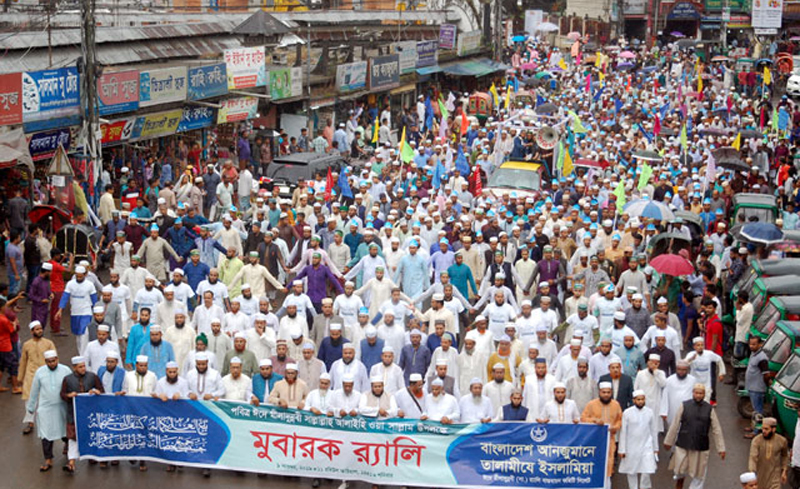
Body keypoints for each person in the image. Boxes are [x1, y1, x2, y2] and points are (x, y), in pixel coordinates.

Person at [664, 383, 726, 489]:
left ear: (704, 394)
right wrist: (668, 441)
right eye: (696, 393)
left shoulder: (709, 409)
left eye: (700, 393)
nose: (698, 395)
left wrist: (721, 448)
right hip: (683, 444)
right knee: (680, 471)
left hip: (700, 447)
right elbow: (675, 424)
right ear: (693, 393)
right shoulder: (684, 406)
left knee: (699, 475)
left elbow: (717, 429)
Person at [25, 350, 71, 472]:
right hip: (46, 408)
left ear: (57, 359)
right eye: (49, 362)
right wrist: (31, 407)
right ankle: (48, 460)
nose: (52, 364)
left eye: (54, 361)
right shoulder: (40, 372)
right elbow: (34, 391)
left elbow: (72, 385)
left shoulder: (65, 370)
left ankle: (68, 447)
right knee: (46, 434)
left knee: (65, 432)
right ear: (45, 362)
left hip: (62, 407)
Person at [60, 355, 103, 473]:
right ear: (74, 368)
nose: (83, 369)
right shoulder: (67, 379)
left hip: (90, 414)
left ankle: (91, 456)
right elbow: (62, 395)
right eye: (80, 367)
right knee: (73, 439)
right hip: (73, 414)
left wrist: (95, 392)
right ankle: (71, 463)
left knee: (90, 435)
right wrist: (69, 396)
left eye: (84, 366)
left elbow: (101, 391)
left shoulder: (92, 377)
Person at [581, 382, 622, 487]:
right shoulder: (591, 404)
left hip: (609, 440)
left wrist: (615, 428)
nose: (606, 394)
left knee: (608, 465)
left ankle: (607, 486)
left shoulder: (616, 405)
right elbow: (583, 419)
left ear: (611, 393)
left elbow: (620, 420)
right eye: (604, 392)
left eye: (608, 392)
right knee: (593, 464)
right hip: (593, 441)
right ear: (599, 392)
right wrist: (595, 421)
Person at [18, 320, 55, 435]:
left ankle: (48, 422)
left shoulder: (48, 343)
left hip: (46, 373)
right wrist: (20, 377)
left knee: (46, 398)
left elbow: (55, 359)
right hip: (31, 374)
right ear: (32, 331)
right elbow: (23, 361)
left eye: (40, 329)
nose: (40, 331)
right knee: (30, 399)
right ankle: (30, 423)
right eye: (37, 329)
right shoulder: (27, 344)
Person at [618, 390, 659, 489]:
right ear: (633, 400)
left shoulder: (650, 412)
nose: (640, 401)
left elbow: (653, 430)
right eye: (638, 399)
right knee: (631, 471)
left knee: (647, 470)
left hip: (647, 445)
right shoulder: (627, 413)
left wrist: (655, 448)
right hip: (631, 446)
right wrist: (622, 449)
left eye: (642, 399)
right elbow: (623, 432)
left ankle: (644, 487)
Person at [747, 417, 788, 489]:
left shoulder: (782, 441)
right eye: (762, 428)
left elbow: (784, 456)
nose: (763, 431)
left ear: (773, 429)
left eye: (766, 429)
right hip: (760, 477)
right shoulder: (757, 440)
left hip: (775, 478)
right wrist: (752, 473)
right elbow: (753, 457)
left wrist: (784, 470)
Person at [744, 335, 770, 438]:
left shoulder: (762, 358)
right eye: (750, 344)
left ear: (760, 344)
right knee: (755, 410)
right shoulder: (754, 353)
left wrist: (766, 384)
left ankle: (756, 431)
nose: (751, 346)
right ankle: (753, 426)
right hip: (752, 387)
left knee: (758, 411)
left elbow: (766, 374)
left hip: (757, 388)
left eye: (754, 344)